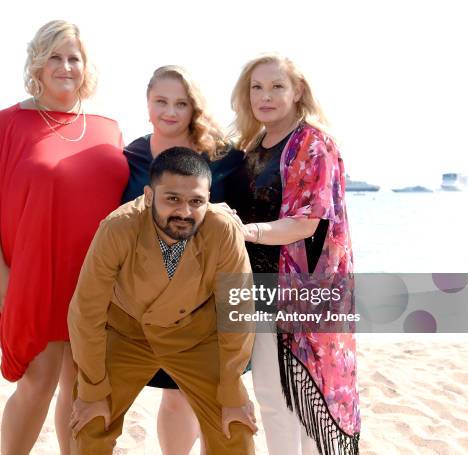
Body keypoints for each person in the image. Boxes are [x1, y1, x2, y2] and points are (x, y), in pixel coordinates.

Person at [0, 20, 128, 454]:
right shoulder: (8, 124)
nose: (66, 66)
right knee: (37, 382)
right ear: (37, 62)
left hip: (95, 277)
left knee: (81, 388)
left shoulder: (109, 128)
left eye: (74, 57)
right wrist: (2, 277)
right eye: (55, 56)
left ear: (85, 66)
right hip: (35, 276)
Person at [68, 147, 257, 454]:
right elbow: (86, 312)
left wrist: (233, 392)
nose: (184, 211)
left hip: (194, 335)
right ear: (148, 194)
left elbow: (238, 309)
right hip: (127, 333)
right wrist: (92, 389)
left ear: (208, 199)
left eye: (196, 201)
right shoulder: (117, 228)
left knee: (234, 426)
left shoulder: (222, 230)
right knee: (90, 421)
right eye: (172, 199)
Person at [225, 53, 360, 455]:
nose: (265, 96)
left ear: (297, 91)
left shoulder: (314, 144)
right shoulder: (253, 148)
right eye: (257, 87)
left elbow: (307, 223)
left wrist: (246, 232)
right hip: (261, 287)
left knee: (300, 397)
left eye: (276, 86)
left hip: (306, 293)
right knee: (273, 393)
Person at [122, 65, 244, 455]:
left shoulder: (223, 157)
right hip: (157, 296)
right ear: (147, 104)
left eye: (181, 103)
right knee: (174, 392)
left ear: (194, 108)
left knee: (214, 391)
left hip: (213, 292)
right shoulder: (132, 156)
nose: (170, 112)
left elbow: (244, 219)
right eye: (161, 102)